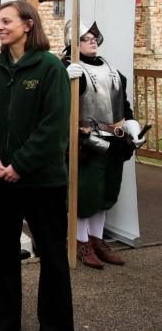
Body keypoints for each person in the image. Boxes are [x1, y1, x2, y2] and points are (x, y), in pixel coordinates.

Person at [0, 0, 74, 331]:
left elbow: (54, 126)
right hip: (0, 179)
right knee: (4, 253)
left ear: (28, 24)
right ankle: (4, 322)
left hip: (42, 180)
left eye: (6, 21)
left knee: (51, 255)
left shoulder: (49, 68)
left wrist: (21, 164)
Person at [64, 23, 145, 269]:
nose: (92, 41)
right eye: (85, 38)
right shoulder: (66, 70)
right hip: (85, 142)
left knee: (106, 193)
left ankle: (97, 240)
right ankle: (80, 242)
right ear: (73, 42)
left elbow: (123, 109)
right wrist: (60, 78)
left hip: (114, 141)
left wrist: (132, 127)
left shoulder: (113, 71)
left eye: (94, 38)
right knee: (85, 194)